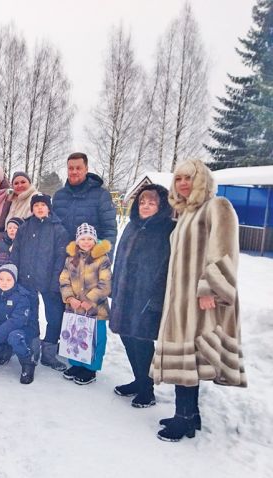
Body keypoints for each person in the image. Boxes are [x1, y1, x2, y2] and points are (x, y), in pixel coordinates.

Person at [151, 159, 246, 442]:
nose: (182, 183)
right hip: (180, 300)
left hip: (200, 299)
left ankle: (185, 418)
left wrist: (210, 289)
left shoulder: (217, 206)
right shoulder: (185, 214)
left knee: (191, 355)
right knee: (186, 356)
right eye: (178, 178)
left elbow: (225, 250)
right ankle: (189, 415)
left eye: (188, 178)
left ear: (201, 180)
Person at [109, 185, 174, 407]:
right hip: (125, 296)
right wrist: (114, 288)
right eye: (142, 202)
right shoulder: (132, 226)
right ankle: (139, 381)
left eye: (151, 203)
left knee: (143, 342)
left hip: (147, 299)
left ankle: (147, 390)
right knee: (127, 337)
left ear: (161, 205)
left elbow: (168, 268)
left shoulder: (167, 230)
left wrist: (156, 299)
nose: (145, 206)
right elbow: (119, 260)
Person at [10, 193, 68, 372]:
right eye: (36, 206)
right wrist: (16, 276)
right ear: (32, 208)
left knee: (54, 317)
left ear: (49, 208)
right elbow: (16, 253)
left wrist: (55, 281)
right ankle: (32, 349)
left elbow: (61, 258)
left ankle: (49, 353)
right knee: (30, 316)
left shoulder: (58, 230)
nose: (40, 208)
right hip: (26, 280)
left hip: (50, 281)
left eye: (43, 205)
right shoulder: (25, 227)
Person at [60, 223, 112, 385]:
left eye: (90, 239)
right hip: (75, 308)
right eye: (83, 239)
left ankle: (91, 369)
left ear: (95, 240)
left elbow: (105, 283)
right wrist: (70, 298)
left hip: (96, 309)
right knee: (75, 336)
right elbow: (64, 279)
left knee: (95, 338)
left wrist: (90, 300)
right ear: (77, 241)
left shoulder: (102, 259)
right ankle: (76, 364)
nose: (86, 242)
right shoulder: (71, 259)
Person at [0, 264, 40, 385]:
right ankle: (7, 349)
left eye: (8, 279)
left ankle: (28, 362)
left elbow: (15, 322)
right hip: (4, 327)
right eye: (1, 279)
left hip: (24, 329)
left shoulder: (23, 297)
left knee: (14, 336)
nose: (4, 283)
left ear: (14, 280)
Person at [52, 152, 117, 253]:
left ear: (86, 169)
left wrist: (103, 260)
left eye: (78, 168)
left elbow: (109, 231)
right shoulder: (58, 196)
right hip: (62, 260)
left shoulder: (101, 195)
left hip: (89, 261)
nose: (74, 172)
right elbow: (52, 229)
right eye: (70, 168)